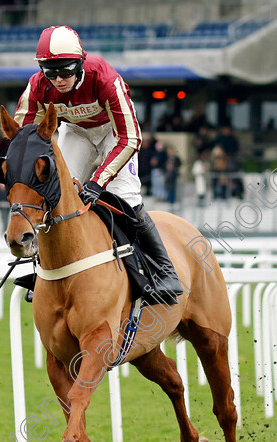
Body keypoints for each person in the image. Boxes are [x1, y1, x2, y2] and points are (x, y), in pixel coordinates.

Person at [13, 25, 182, 300]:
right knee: (54, 193)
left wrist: (97, 181)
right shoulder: (37, 86)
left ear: (80, 63)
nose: (58, 79)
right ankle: (43, 268)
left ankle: (164, 271)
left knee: (125, 197)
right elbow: (23, 135)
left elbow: (130, 138)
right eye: (50, 72)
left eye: (66, 70)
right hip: (75, 131)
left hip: (113, 132)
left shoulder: (104, 78)